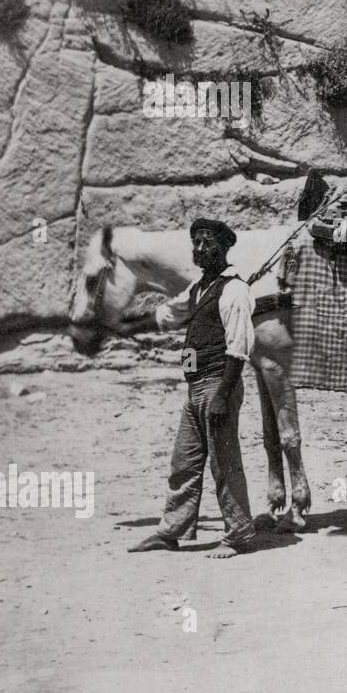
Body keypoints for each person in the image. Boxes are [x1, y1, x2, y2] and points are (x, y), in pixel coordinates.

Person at [124, 218, 257, 558]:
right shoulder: (200, 287)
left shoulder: (235, 290)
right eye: (195, 242)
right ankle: (171, 531)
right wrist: (123, 327)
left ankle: (239, 534)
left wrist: (223, 397)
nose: (199, 249)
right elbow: (171, 314)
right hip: (196, 386)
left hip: (218, 386)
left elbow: (238, 348)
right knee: (184, 462)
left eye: (207, 243)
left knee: (224, 462)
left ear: (224, 248)